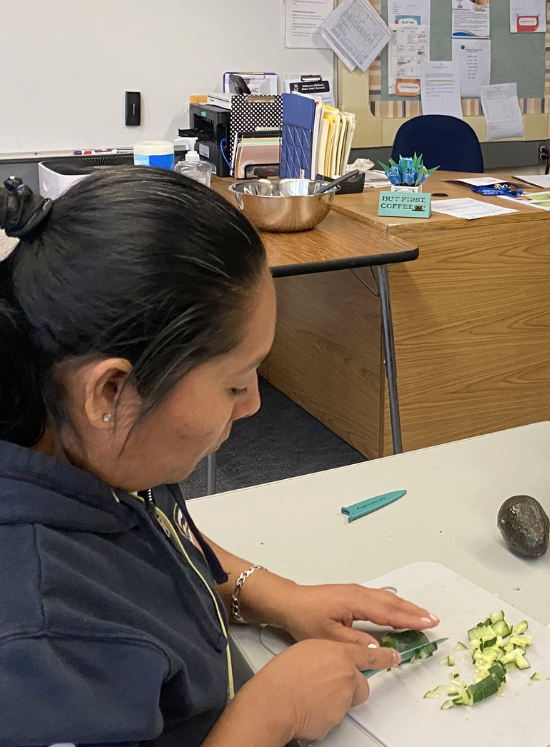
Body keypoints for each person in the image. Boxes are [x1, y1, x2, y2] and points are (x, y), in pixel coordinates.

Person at [0, 167, 439, 746]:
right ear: (111, 393)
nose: (255, 404)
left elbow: (160, 536)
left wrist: (276, 596)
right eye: (234, 385)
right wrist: (265, 719)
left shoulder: (83, 439)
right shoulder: (40, 638)